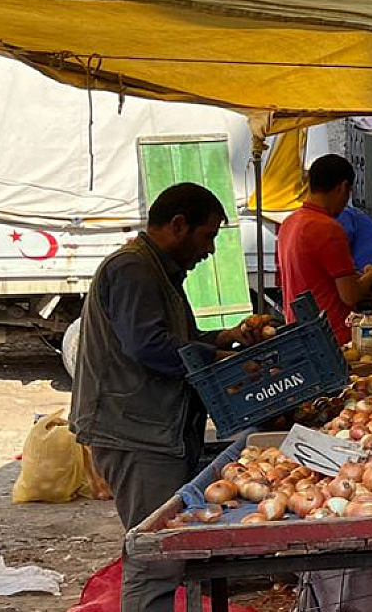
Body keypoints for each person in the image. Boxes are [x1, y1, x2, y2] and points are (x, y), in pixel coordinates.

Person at [70, 183, 245, 612]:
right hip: (136, 431)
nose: (209, 251)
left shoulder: (155, 270)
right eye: (207, 237)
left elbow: (174, 341)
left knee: (162, 552)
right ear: (178, 225)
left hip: (151, 428)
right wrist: (217, 357)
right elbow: (150, 348)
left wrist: (225, 338)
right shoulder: (133, 269)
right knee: (155, 558)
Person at [277, 155, 370, 343]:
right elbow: (350, 294)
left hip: (300, 332)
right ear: (343, 187)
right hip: (332, 336)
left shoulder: (289, 223)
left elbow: (315, 277)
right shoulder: (327, 228)